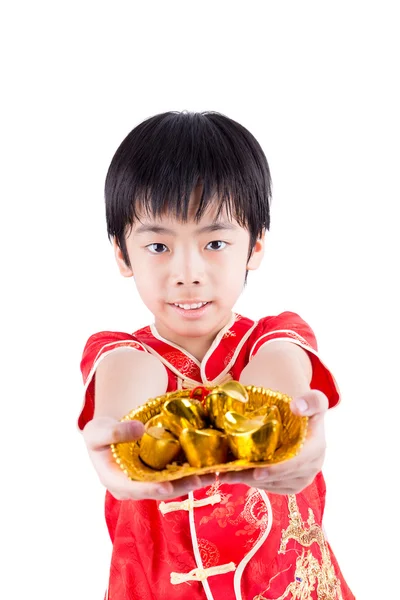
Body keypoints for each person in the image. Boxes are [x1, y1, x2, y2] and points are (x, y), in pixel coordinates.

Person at [78, 111, 355, 600]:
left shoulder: (276, 336)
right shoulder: (119, 353)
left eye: (216, 242)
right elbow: (124, 387)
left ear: (255, 247)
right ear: (122, 254)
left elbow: (280, 377)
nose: (188, 272)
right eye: (159, 245)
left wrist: (292, 427)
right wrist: (116, 439)